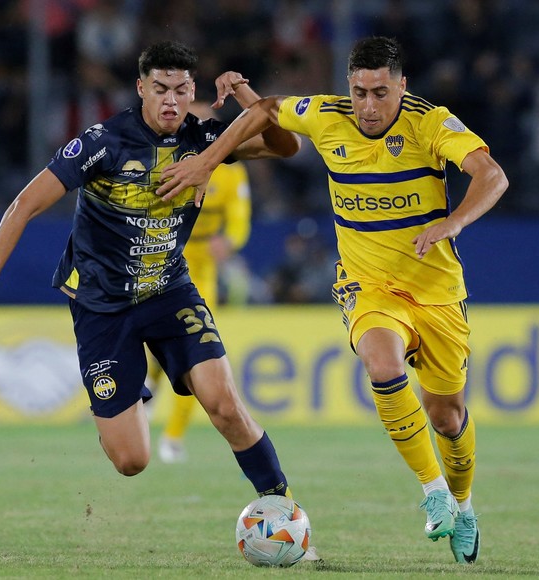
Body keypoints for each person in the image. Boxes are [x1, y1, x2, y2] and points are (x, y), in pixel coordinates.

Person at [157, 36, 508, 564]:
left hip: (436, 292)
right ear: (349, 86)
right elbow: (271, 112)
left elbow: (492, 175)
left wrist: (451, 222)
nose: (368, 105)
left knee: (447, 418)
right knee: (381, 363)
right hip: (368, 286)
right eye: (360, 91)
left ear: (402, 87)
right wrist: (210, 157)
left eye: (381, 93)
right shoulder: (328, 115)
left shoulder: (431, 122)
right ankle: (433, 489)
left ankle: (463, 502)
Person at [0, 42, 303, 506]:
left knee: (224, 404)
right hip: (102, 305)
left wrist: (244, 94)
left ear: (192, 90)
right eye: (160, 89)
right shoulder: (102, 143)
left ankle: (284, 508)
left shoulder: (204, 140)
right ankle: (118, 412)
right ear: (141, 89)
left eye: (181, 89)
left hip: (168, 290)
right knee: (131, 460)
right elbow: (23, 206)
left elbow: (287, 144)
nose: (171, 100)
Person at [152, 100, 253, 463]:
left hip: (201, 268)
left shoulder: (230, 171)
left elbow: (240, 221)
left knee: (194, 353)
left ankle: (173, 437)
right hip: (160, 257)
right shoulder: (164, 157)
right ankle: (148, 382)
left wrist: (228, 241)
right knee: (157, 343)